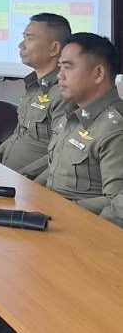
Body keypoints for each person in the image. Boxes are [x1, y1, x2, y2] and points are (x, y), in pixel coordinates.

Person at [35, 33, 123, 219]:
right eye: (59, 67)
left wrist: (60, 211)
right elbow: (54, 169)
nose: (59, 75)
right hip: (49, 213)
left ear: (98, 74)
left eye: (68, 67)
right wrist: (30, 193)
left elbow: (116, 201)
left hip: (78, 222)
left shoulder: (115, 127)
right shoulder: (71, 113)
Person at [0, 14, 75, 177]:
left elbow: (59, 152)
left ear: (54, 48)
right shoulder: (34, 86)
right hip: (6, 175)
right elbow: (18, 135)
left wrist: (22, 177)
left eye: (29, 39)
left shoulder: (63, 92)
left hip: (30, 183)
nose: (21, 45)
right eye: (23, 38)